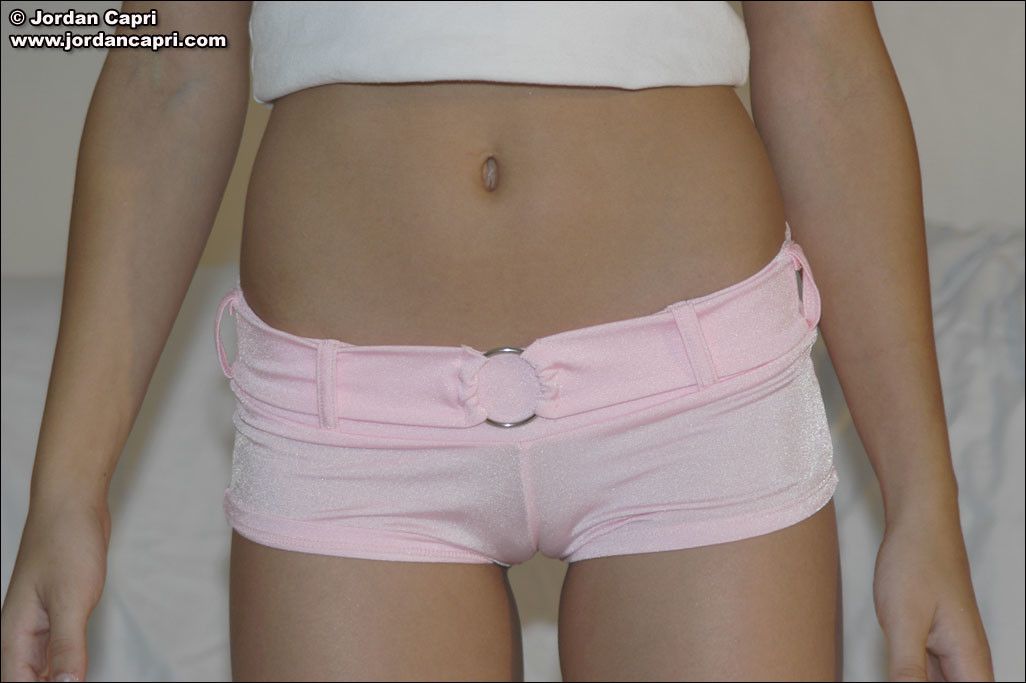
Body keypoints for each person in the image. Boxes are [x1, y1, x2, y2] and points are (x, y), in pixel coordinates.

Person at [0, 2, 995, 681]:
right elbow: (165, 52)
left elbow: (822, 43)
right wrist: (65, 490)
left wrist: (923, 502)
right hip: (353, 440)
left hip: (694, 406)